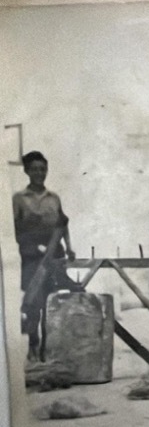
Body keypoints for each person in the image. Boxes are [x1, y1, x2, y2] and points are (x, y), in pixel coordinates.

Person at [12, 151, 78, 362]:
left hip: (54, 256)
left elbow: (62, 224)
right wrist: (31, 247)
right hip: (32, 257)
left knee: (52, 301)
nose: (39, 173)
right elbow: (15, 229)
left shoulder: (54, 198)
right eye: (34, 169)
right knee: (34, 303)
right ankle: (33, 344)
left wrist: (69, 247)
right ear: (27, 171)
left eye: (42, 169)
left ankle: (46, 351)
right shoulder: (19, 199)